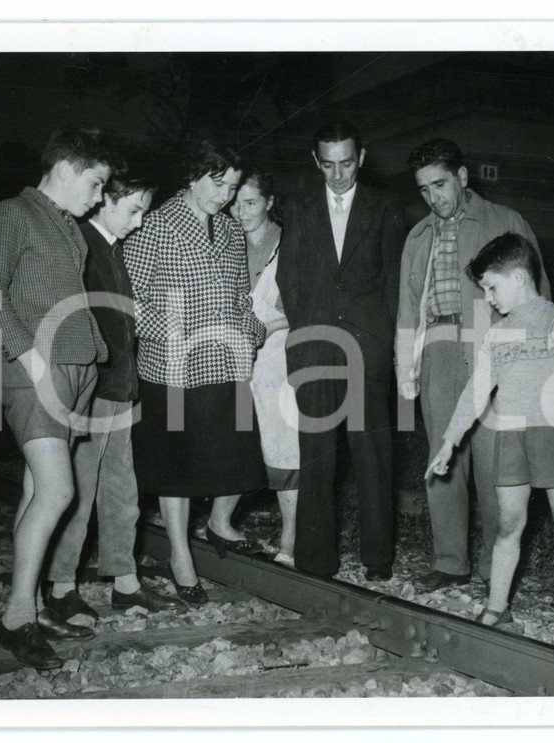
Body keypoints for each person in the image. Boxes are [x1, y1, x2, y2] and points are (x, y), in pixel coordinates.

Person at [0, 126, 115, 670]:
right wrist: (32, 360)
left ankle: (30, 605)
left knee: (37, 493)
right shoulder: (11, 214)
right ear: (66, 169)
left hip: (75, 371)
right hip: (36, 370)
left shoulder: (67, 226)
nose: (99, 196)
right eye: (96, 183)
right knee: (58, 491)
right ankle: (15, 619)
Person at [426, 232, 554, 638]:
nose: (488, 298)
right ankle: (497, 607)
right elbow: (476, 391)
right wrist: (450, 440)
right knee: (507, 524)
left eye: (492, 287)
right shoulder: (497, 333)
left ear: (519, 277)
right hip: (510, 435)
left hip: (550, 433)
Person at [396, 138, 551, 593]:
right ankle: (449, 562)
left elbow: (539, 298)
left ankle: (493, 567)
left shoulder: (506, 222)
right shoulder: (418, 236)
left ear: (462, 177)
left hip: (492, 347)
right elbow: (407, 309)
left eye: (440, 184)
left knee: (494, 461)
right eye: (424, 189)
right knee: (443, 457)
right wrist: (405, 367)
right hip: (437, 349)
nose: (433, 197)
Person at [123, 138, 267, 605]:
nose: (225, 196)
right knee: (176, 467)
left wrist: (251, 331)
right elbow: (128, 301)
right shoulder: (155, 225)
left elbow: (241, 296)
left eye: (233, 187)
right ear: (192, 175)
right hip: (173, 367)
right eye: (217, 183)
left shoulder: (229, 230)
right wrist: (171, 332)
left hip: (226, 361)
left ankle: (219, 524)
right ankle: (180, 556)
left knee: (239, 455)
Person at [42, 173, 183, 624]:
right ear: (105, 200)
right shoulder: (81, 244)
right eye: (134, 210)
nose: (139, 222)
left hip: (121, 389)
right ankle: (60, 586)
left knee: (122, 490)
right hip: (92, 390)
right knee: (78, 491)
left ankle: (125, 581)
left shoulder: (112, 249)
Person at [277, 121, 406, 580]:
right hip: (314, 348)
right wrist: (307, 331)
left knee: (373, 454)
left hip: (366, 349)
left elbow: (393, 281)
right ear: (316, 161)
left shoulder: (385, 206)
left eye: (346, 163)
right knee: (316, 455)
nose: (337, 175)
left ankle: (378, 558)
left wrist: (381, 340)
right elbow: (288, 277)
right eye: (328, 164)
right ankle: (317, 560)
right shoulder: (298, 207)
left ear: (362, 158)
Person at [230, 166, 299, 567]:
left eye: (250, 203)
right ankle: (220, 524)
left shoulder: (290, 244)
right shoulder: (227, 242)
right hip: (233, 357)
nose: (240, 212)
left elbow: (305, 306)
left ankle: (290, 542)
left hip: (279, 356)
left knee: (284, 445)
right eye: (235, 203)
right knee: (236, 440)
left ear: (270, 202)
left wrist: (265, 328)